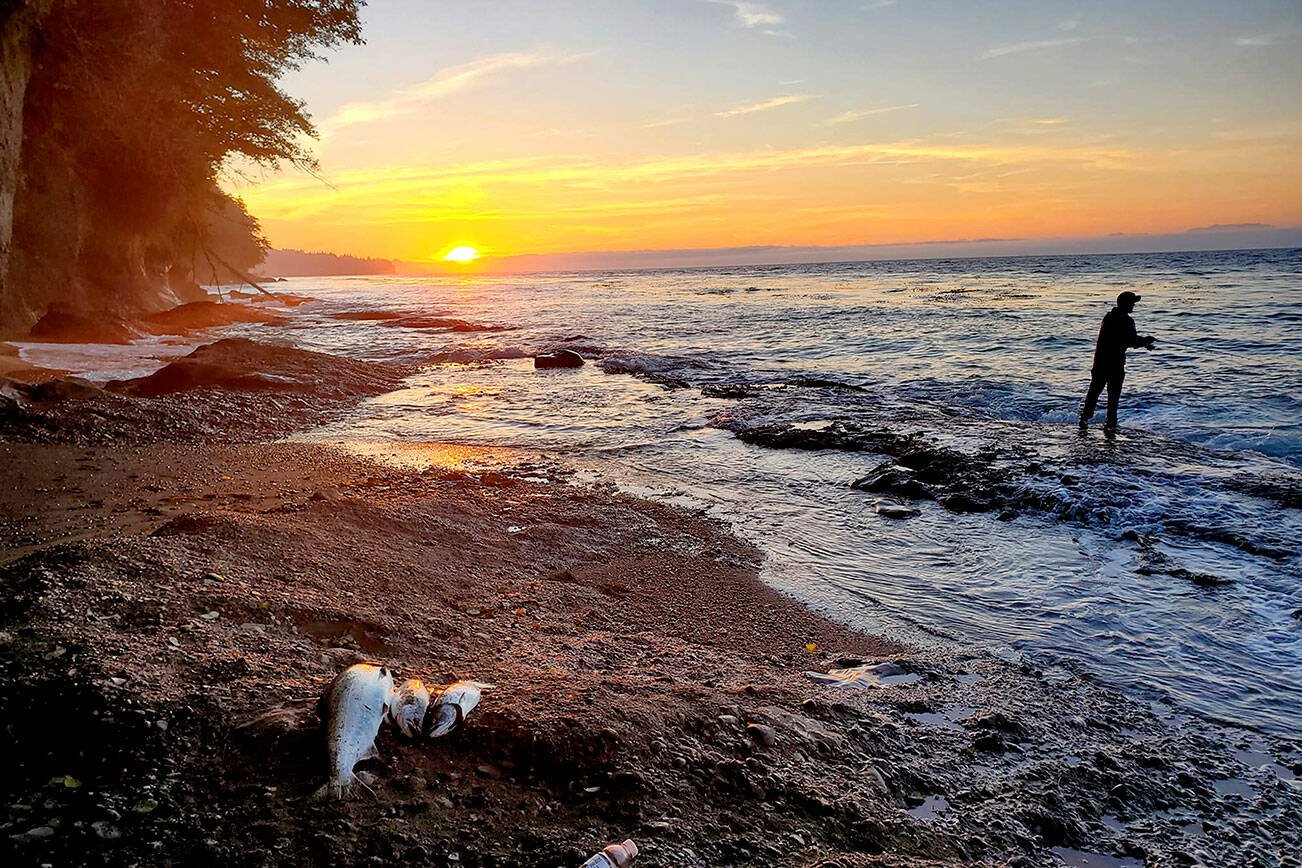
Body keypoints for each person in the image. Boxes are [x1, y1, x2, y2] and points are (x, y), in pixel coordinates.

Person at [1078, 290, 1155, 433]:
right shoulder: (1126, 320)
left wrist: (1143, 343)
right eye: (1132, 303)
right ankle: (1110, 425)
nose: (1133, 306)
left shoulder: (1108, 317)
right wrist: (1146, 341)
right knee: (1113, 398)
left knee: (1094, 393)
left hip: (1100, 362)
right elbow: (1131, 341)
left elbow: (1122, 339)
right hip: (1115, 364)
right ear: (1126, 304)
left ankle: (1083, 420)